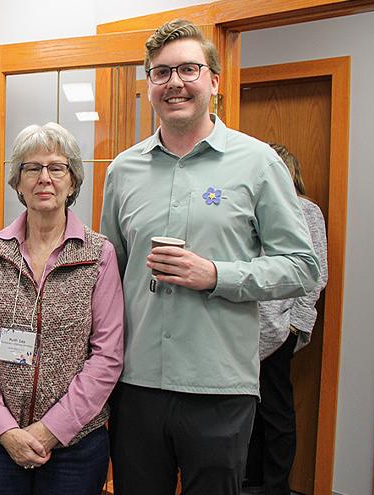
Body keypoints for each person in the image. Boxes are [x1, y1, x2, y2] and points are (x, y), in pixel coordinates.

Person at [99, 19, 321, 495]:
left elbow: (304, 266)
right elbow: (109, 275)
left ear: (214, 82)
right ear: (149, 83)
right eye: (161, 73)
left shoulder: (259, 163)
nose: (174, 83)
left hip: (220, 387)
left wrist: (216, 274)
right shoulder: (123, 170)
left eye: (188, 69)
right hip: (136, 383)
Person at [0, 123, 124, 494]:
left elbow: (108, 356)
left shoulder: (98, 255)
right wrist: (3, 428)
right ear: (18, 183)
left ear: (73, 181)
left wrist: (51, 430)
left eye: (56, 167)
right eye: (31, 168)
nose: (44, 178)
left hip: (76, 444)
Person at [244, 144, 329, 495]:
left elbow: (314, 272)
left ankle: (276, 486)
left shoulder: (306, 210)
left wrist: (295, 324)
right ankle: (250, 481)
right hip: (244, 327)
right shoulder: (251, 206)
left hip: (279, 329)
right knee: (245, 410)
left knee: (276, 410)